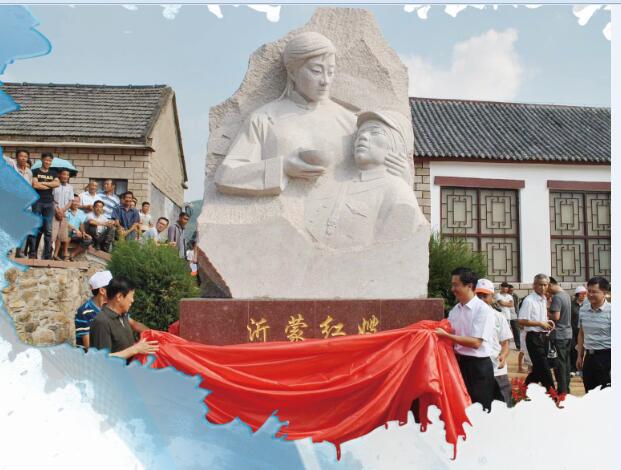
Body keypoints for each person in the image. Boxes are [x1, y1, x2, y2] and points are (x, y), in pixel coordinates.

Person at [435, 267, 496, 411]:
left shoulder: (483, 310)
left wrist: (447, 336)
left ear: (469, 286)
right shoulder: (455, 310)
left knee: (480, 408)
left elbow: (476, 342)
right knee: (462, 408)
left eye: (456, 285)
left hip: (478, 367)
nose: (452, 289)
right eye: (452, 285)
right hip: (458, 363)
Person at [76, 271, 149, 351]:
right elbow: (90, 346)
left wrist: (154, 334)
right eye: (111, 287)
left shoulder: (115, 308)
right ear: (102, 290)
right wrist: (132, 350)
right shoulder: (84, 312)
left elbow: (134, 324)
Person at [89, 276, 158, 359]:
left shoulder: (123, 316)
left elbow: (136, 326)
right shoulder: (102, 322)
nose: (132, 300)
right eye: (131, 296)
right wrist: (135, 349)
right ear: (119, 297)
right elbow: (101, 359)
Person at [475, 278, 514, 407]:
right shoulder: (469, 317)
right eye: (478, 295)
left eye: (485, 296)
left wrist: (503, 356)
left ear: (492, 297)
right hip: (477, 371)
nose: (481, 299)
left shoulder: (499, 317)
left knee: (503, 405)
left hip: (497, 370)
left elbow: (505, 343)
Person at [518, 274, 555, 393]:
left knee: (538, 369)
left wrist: (546, 323)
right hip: (533, 337)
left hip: (544, 337)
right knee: (545, 369)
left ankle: (522, 392)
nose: (543, 287)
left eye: (545, 285)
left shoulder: (543, 299)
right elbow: (521, 321)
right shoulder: (529, 301)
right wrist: (540, 323)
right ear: (534, 285)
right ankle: (553, 395)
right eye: (540, 285)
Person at [576, 277, 611, 393]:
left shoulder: (612, 311)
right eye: (589, 291)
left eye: (594, 292)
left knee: (606, 394)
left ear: (604, 292)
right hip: (589, 358)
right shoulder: (583, 310)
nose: (590, 295)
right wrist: (580, 356)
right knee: (589, 392)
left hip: (607, 357)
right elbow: (581, 333)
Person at [27, 152, 60, 259]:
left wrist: (43, 184)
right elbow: (35, 184)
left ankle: (47, 255)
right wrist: (50, 185)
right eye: (46, 159)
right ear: (42, 159)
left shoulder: (53, 172)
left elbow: (57, 184)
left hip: (49, 203)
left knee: (48, 230)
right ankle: (32, 253)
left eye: (50, 160)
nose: (48, 162)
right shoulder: (35, 171)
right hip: (37, 202)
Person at [548, 277, 573, 396]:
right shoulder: (566, 294)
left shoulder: (557, 297)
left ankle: (562, 391)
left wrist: (546, 311)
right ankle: (566, 388)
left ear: (550, 284)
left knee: (559, 365)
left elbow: (556, 316)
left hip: (559, 335)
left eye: (546, 286)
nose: (546, 290)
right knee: (566, 363)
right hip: (568, 334)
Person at [11, 149, 33, 258]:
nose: (23, 158)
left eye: (25, 156)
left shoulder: (29, 172)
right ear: (17, 157)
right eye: (21, 156)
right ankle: (9, 250)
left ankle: (20, 251)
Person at [51, 169, 74, 260]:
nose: (66, 176)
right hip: (54, 213)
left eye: (67, 175)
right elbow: (52, 199)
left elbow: (70, 201)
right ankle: (48, 254)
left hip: (64, 214)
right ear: (60, 175)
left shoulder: (70, 187)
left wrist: (62, 211)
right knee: (52, 235)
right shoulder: (55, 185)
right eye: (64, 174)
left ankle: (56, 254)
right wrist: (57, 211)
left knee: (61, 236)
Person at [66, 194, 92, 259]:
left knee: (88, 239)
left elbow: (81, 223)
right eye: (74, 201)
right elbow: (65, 223)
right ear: (70, 202)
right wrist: (75, 230)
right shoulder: (66, 211)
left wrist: (83, 232)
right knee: (69, 234)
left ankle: (73, 254)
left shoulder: (81, 212)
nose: (76, 203)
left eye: (77, 201)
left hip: (76, 234)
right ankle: (65, 254)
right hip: (67, 233)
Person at [571, 286, 587, 375]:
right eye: (582, 294)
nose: (584, 295)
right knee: (574, 349)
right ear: (577, 295)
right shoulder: (572, 305)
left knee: (583, 350)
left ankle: (582, 368)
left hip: (584, 331)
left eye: (585, 294)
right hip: (574, 331)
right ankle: (574, 368)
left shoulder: (588, 304)